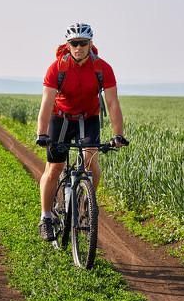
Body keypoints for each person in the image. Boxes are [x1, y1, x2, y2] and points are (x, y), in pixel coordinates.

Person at [35, 23, 128, 241]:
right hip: (61, 118)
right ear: (68, 45)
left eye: (83, 43)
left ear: (91, 44)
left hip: (89, 118)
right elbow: (47, 102)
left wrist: (118, 134)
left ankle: (86, 203)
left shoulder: (102, 68)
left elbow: (112, 103)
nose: (78, 47)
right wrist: (42, 134)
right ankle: (46, 217)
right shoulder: (57, 68)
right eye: (74, 43)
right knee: (55, 167)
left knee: (90, 161)